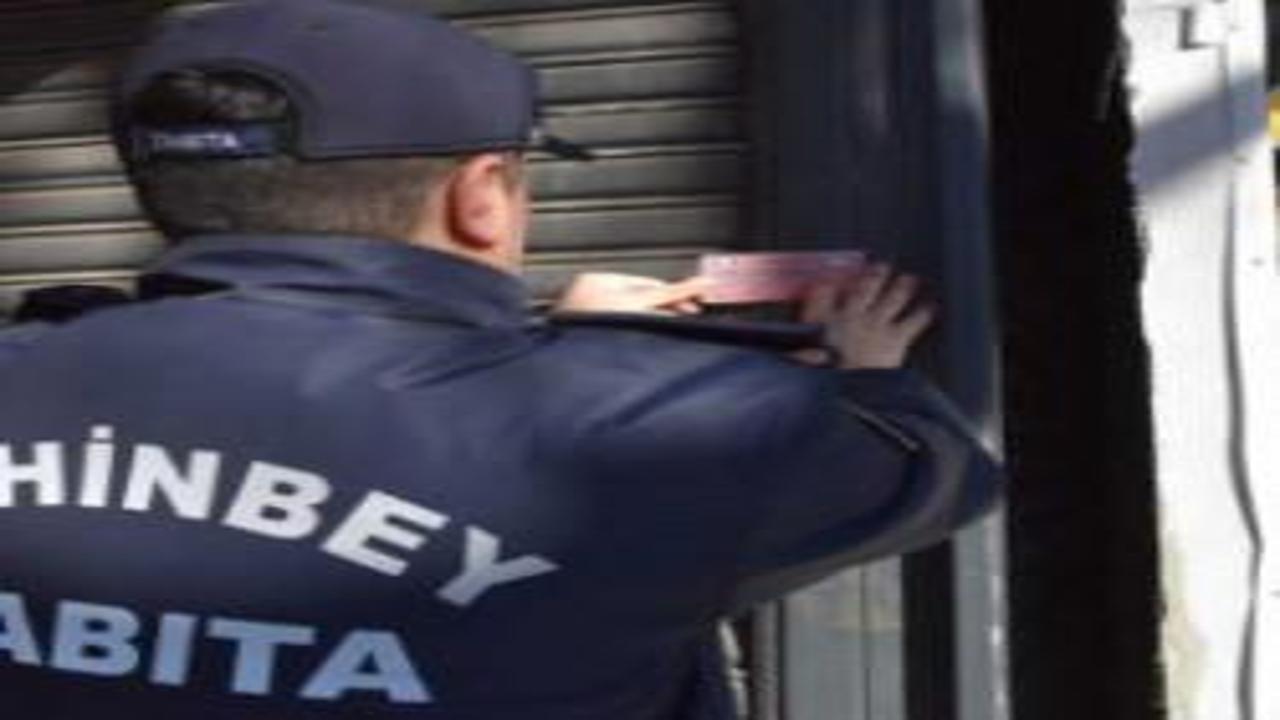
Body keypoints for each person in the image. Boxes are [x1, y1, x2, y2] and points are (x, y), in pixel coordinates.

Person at [0, 1, 1000, 718]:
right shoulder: (657, 429)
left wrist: (565, 353)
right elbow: (934, 470)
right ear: (481, 196)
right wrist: (860, 371)